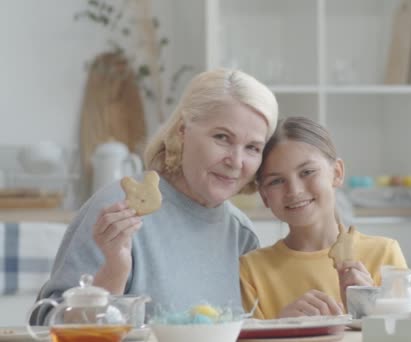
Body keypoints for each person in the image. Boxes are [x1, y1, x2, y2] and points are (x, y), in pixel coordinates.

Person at [35, 69, 278, 323]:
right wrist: (114, 272)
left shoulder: (241, 235)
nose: (236, 161)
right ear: (184, 130)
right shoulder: (120, 210)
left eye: (252, 148)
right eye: (222, 137)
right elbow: (49, 324)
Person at [239, 117, 408, 319]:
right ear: (264, 195)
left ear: (337, 172)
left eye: (307, 172)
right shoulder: (251, 270)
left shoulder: (384, 255)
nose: (294, 190)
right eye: (276, 181)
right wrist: (280, 330)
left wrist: (368, 314)